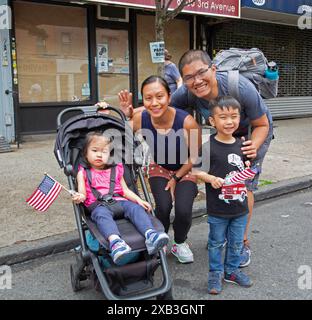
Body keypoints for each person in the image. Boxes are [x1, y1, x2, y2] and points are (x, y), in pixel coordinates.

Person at [171, 49, 274, 267]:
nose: (197, 81)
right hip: (222, 134)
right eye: (189, 77)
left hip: (251, 133)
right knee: (218, 181)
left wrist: (252, 146)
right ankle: (221, 232)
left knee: (243, 185)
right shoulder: (186, 93)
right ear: (184, 80)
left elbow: (262, 124)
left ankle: (241, 242)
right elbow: (162, 109)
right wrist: (131, 112)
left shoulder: (240, 87)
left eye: (201, 73)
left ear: (214, 69)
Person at [98, 76, 201, 264]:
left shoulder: (187, 122)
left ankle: (179, 242)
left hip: (185, 169)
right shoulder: (140, 117)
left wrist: (176, 178)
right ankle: (158, 239)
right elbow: (119, 136)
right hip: (159, 167)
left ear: (169, 97)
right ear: (143, 100)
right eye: (148, 98)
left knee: (184, 210)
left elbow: (195, 157)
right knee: (162, 206)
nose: (154, 103)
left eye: (159, 96)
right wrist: (123, 115)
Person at [72, 131, 169, 265]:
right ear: (85, 153)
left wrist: (139, 200)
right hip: (99, 205)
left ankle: (150, 234)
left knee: (136, 209)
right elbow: (82, 192)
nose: (99, 155)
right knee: (101, 215)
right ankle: (116, 242)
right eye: (95, 150)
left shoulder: (116, 169)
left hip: (120, 202)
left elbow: (124, 190)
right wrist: (79, 196)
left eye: (104, 152)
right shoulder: (83, 172)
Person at [193, 96, 256, 294]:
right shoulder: (208, 146)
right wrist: (210, 178)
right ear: (212, 121)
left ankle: (231, 271)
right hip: (218, 209)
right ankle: (215, 273)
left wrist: (250, 163)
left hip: (240, 206)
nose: (229, 121)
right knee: (216, 242)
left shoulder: (242, 144)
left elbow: (248, 168)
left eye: (234, 116)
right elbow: (196, 171)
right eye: (223, 117)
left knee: (237, 242)